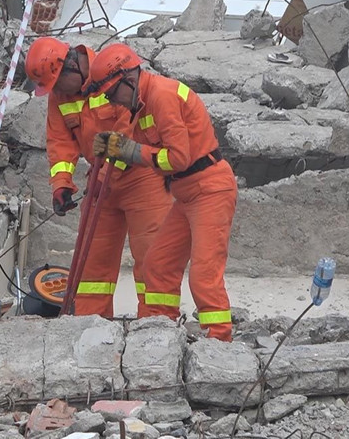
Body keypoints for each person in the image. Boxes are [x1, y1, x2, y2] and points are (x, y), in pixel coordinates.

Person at [85, 43, 237, 342]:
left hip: (210, 189)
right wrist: (114, 147)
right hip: (187, 193)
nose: (112, 101)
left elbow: (177, 158)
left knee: (204, 276)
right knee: (158, 265)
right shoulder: (140, 104)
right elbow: (140, 147)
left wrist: (132, 152)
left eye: (113, 93)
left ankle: (220, 343)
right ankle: (159, 331)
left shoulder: (162, 96)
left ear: (128, 79)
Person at [24, 37, 171, 318]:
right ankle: (90, 325)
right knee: (92, 264)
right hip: (101, 180)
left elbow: (126, 128)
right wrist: (61, 185)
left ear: (69, 68)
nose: (55, 93)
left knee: (152, 258)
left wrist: (105, 173)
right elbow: (60, 142)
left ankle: (157, 326)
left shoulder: (111, 72)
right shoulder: (60, 97)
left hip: (142, 177)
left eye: (56, 84)